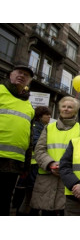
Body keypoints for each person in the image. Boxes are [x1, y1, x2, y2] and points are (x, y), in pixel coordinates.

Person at [30, 96, 80, 216]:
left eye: (70, 107)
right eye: (64, 106)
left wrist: (65, 167)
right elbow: (39, 150)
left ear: (75, 111)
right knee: (47, 213)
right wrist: (51, 164)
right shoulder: (49, 128)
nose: (66, 109)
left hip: (70, 179)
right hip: (48, 178)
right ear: (59, 109)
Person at [0, 64, 35, 216]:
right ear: (10, 74)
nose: (22, 76)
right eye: (19, 72)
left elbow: (29, 135)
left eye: (26, 75)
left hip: (13, 163)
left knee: (4, 201)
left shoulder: (28, 105)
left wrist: (26, 165)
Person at [17, 106, 51, 215]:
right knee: (30, 192)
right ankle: (24, 212)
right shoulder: (37, 127)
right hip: (33, 165)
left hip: (36, 164)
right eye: (47, 115)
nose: (49, 117)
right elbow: (36, 143)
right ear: (41, 116)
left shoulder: (43, 127)